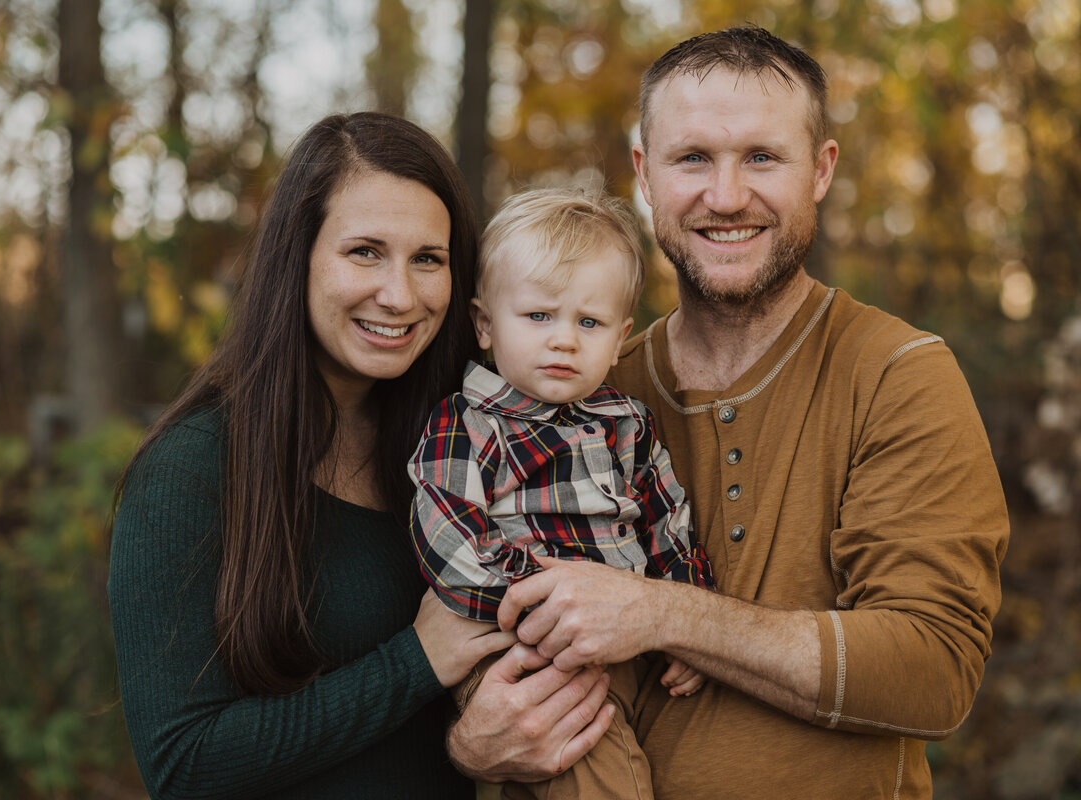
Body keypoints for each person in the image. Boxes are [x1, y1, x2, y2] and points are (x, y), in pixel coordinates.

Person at [447, 26, 1009, 798]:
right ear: (645, 174)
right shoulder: (580, 387)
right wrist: (469, 742)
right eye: (693, 158)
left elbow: (934, 668)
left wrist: (665, 615)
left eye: (762, 157)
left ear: (822, 169)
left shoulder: (896, 374)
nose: (726, 196)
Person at [107, 111, 522, 799]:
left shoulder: (462, 441)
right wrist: (414, 662)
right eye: (364, 252)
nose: (400, 295)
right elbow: (183, 766)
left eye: (428, 259)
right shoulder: (191, 471)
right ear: (297, 257)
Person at [408, 188, 715, 799]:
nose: (564, 340)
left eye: (590, 322)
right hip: (525, 650)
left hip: (626, 640)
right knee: (601, 773)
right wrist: (545, 607)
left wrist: (683, 617)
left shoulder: (626, 420)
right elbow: (449, 534)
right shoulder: (468, 423)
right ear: (485, 324)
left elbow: (666, 521)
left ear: (621, 333)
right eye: (539, 316)